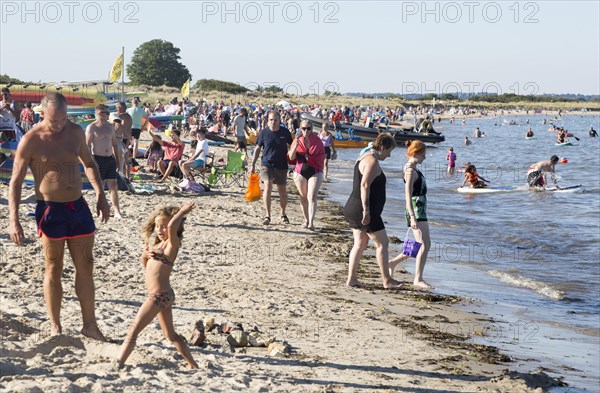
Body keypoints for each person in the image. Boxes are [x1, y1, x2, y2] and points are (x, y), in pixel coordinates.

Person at [8, 93, 109, 340]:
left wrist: (100, 194)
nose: (60, 124)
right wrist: (14, 219)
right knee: (54, 266)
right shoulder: (31, 140)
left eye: (64, 119)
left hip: (78, 207)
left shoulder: (75, 132)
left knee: (86, 265)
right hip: (51, 210)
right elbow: (15, 182)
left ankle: (90, 325)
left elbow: (89, 163)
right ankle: (55, 324)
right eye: (55, 121)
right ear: (42, 114)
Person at [117, 203, 199, 369]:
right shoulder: (157, 246)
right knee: (171, 335)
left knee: (133, 330)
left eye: (164, 227)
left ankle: (118, 363)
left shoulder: (172, 244)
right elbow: (148, 270)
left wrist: (182, 211)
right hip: (164, 295)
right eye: (158, 226)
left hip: (158, 296)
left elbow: (171, 226)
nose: (161, 230)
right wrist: (145, 256)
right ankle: (193, 365)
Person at [343, 133, 402, 289]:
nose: (389, 156)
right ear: (382, 147)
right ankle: (387, 280)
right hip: (364, 211)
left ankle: (352, 279)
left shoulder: (365, 155)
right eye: (389, 151)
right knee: (383, 244)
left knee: (360, 243)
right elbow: (364, 185)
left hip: (354, 207)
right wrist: (367, 211)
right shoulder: (372, 161)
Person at [388, 140, 432, 289]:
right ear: (415, 154)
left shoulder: (412, 168)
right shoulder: (410, 171)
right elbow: (407, 195)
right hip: (416, 211)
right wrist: (412, 216)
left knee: (420, 244)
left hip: (419, 209)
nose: (425, 158)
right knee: (424, 245)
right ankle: (418, 279)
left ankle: (392, 263)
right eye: (423, 155)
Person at [249, 110, 293, 225]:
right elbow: (258, 148)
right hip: (267, 164)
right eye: (271, 120)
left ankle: (283, 214)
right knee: (267, 187)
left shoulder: (285, 132)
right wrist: (253, 164)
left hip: (281, 165)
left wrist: (296, 161)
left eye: (275, 120)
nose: (273, 122)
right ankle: (267, 215)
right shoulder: (264, 132)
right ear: (268, 121)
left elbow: (293, 146)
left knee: (282, 191)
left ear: (279, 120)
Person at [86, 105, 123, 218]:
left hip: (109, 158)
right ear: (99, 114)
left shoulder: (110, 127)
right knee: (100, 186)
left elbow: (114, 144)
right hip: (98, 158)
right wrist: (92, 162)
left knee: (113, 185)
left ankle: (117, 211)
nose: (108, 115)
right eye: (106, 113)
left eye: (108, 113)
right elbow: (87, 146)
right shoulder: (92, 127)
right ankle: (101, 209)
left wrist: (117, 159)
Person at [288, 120, 326, 230]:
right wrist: (295, 146)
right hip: (300, 171)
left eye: (308, 128)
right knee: (303, 198)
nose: (306, 131)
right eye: (304, 128)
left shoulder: (317, 141)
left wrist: (311, 158)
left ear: (312, 129)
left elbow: (322, 156)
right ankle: (306, 220)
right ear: (300, 128)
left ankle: (311, 223)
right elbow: (291, 157)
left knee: (312, 197)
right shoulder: (296, 140)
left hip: (315, 170)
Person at [126, 98, 147, 164]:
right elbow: (147, 118)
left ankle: (127, 156)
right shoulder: (141, 110)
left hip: (130, 127)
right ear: (137, 103)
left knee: (128, 142)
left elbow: (125, 118)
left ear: (132, 103)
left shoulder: (128, 110)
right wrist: (143, 127)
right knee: (136, 142)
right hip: (138, 127)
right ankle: (134, 157)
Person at [116, 102, 133, 178]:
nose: (116, 109)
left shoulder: (120, 116)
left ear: (120, 108)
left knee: (121, 159)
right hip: (127, 138)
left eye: (116, 107)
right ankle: (127, 176)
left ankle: (122, 176)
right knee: (126, 159)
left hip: (122, 138)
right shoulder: (129, 116)